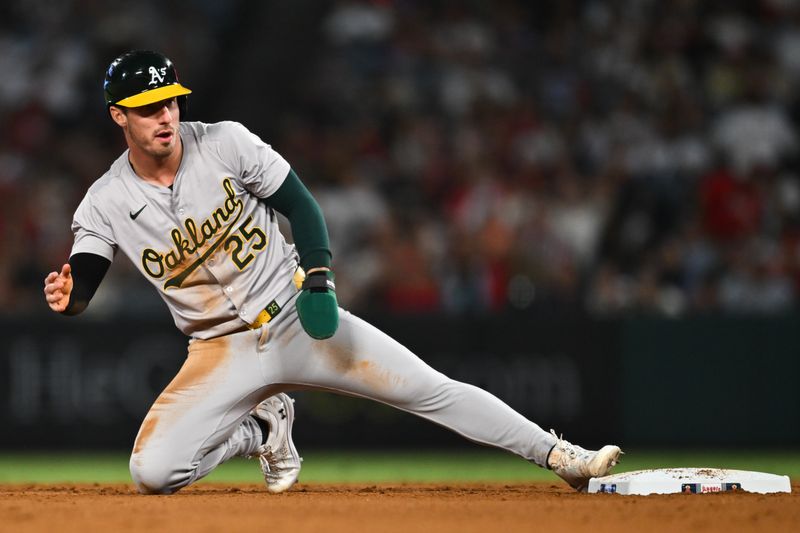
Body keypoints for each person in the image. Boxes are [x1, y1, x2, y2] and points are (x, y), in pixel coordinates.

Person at [43, 50, 621, 495]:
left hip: (294, 315)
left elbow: (302, 206)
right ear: (119, 115)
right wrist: (70, 294)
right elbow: (85, 275)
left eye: (170, 102)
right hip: (217, 350)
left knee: (429, 390)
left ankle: (560, 458)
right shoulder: (104, 201)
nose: (165, 116)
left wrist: (319, 278)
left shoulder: (224, 143)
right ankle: (260, 431)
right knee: (152, 473)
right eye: (148, 108)